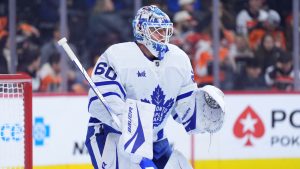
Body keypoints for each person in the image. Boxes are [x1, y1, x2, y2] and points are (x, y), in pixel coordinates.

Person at [85, 5, 225, 169]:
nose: (161, 35)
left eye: (164, 30)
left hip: (155, 140)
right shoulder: (117, 56)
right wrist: (133, 132)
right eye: (155, 30)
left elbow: (184, 109)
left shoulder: (179, 60)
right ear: (140, 30)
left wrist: (201, 114)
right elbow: (100, 102)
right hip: (111, 135)